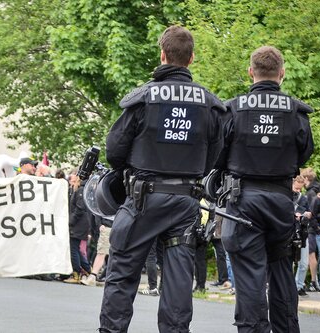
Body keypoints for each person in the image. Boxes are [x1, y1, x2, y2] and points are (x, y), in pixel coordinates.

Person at [99, 26, 226, 332]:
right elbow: (215, 157)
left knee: (122, 273)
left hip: (143, 199)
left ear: (162, 54)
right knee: (179, 279)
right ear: (191, 58)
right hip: (185, 202)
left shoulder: (144, 98)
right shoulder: (209, 104)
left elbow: (114, 151)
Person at [218, 46, 313, 332]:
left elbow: (218, 155)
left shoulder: (233, 109)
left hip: (243, 200)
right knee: (282, 267)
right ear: (282, 74)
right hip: (281, 201)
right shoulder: (296, 111)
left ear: (251, 72)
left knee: (249, 276)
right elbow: (305, 153)